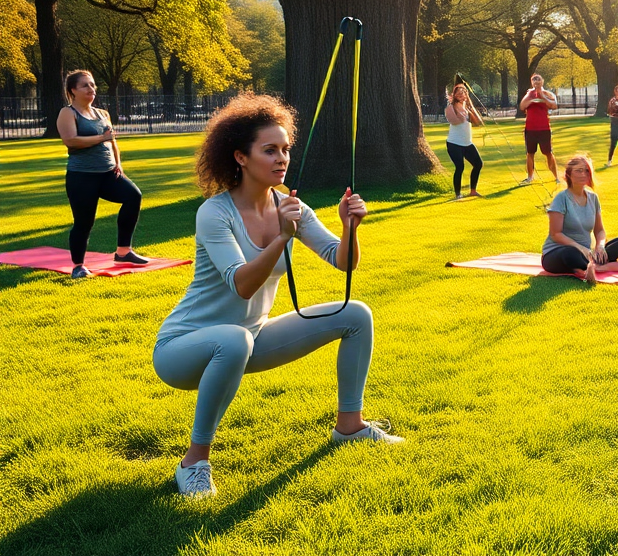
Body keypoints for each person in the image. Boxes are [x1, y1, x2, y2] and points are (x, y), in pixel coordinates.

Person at [153, 94, 401, 497]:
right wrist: (282, 238)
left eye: (285, 149)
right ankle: (194, 462)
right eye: (269, 150)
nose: (282, 158)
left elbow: (343, 262)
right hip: (183, 349)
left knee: (356, 315)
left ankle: (350, 426)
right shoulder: (215, 213)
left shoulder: (291, 207)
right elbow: (242, 284)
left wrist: (351, 227)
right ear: (240, 157)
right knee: (234, 338)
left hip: (249, 339)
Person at [56, 70, 145, 278]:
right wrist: (100, 138)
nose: (91, 89)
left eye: (93, 85)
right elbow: (71, 140)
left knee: (133, 196)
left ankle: (123, 252)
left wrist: (118, 164)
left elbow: (112, 141)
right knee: (84, 222)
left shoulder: (102, 114)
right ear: (73, 90)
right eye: (85, 85)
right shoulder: (67, 113)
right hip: (82, 176)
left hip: (108, 173)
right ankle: (78, 266)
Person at [542, 154, 618, 283]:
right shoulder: (561, 198)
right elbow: (555, 234)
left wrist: (600, 247)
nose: (583, 174)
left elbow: (600, 231)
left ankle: (590, 266)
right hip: (557, 253)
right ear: (569, 174)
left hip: (586, 254)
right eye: (578, 170)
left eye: (586, 170)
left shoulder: (593, 198)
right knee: (571, 253)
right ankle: (609, 266)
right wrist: (580, 248)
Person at [444, 83, 484, 199]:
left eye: (464, 92)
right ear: (454, 95)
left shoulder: (467, 107)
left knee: (478, 164)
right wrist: (463, 113)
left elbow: (477, 123)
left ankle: (473, 191)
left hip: (467, 143)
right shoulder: (450, 108)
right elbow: (454, 121)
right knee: (460, 167)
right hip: (454, 143)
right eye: (459, 93)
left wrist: (471, 110)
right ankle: (458, 194)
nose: (462, 95)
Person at [519, 73, 559, 184]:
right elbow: (522, 106)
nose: (536, 82)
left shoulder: (548, 93)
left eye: (538, 80)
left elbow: (554, 105)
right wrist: (531, 98)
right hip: (530, 129)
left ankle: (556, 177)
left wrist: (542, 95)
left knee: (548, 153)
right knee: (530, 153)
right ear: (531, 82)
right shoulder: (529, 94)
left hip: (544, 129)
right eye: (534, 80)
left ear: (542, 81)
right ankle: (530, 177)